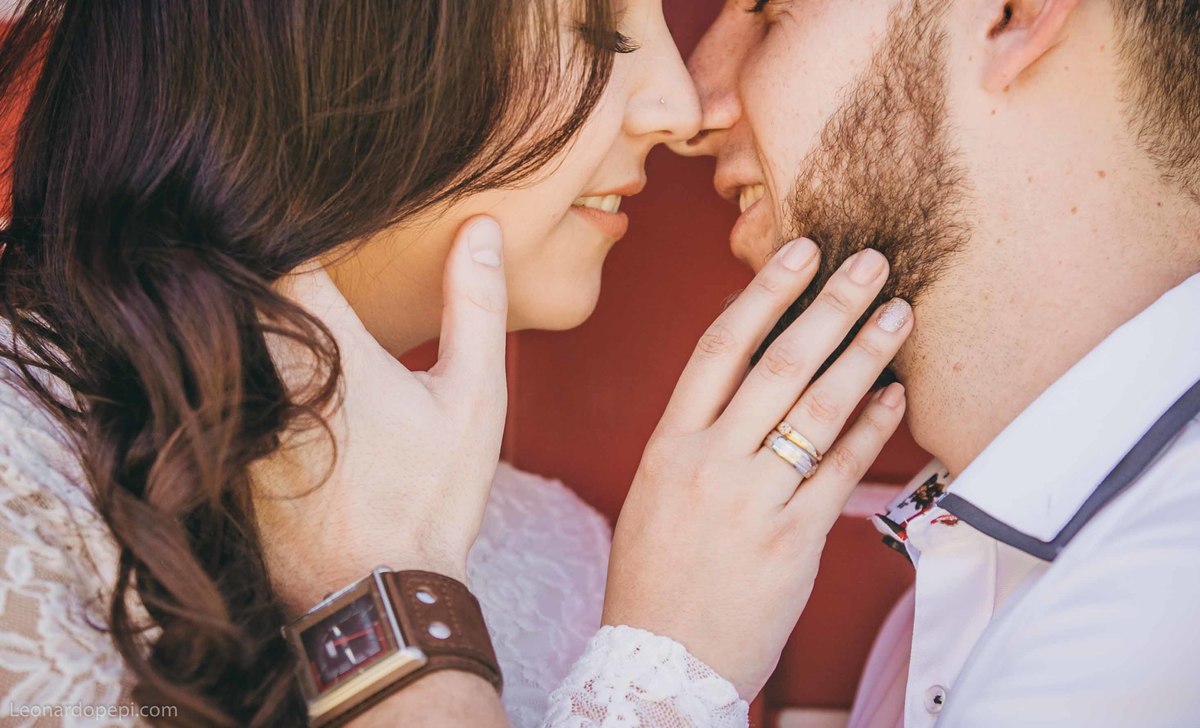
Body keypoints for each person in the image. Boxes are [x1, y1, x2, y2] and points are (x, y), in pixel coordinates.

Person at [0, 1, 913, 726]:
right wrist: (660, 685)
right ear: (319, 52)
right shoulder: (18, 492)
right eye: (593, 25)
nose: (678, 109)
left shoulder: (566, 556)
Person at [675, 0, 1200, 725]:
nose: (691, 103)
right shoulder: (941, 604)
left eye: (767, 12)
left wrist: (656, 673)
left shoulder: (1163, 608)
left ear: (1015, 14)